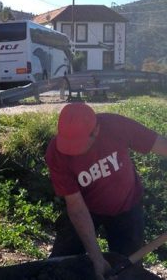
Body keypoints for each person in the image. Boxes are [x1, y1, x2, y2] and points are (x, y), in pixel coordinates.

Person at [45, 103, 167, 280]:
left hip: (127, 206)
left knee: (126, 269)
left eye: (77, 144)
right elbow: (76, 207)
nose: (72, 152)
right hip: (87, 210)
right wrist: (96, 257)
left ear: (96, 131)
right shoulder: (56, 153)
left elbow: (161, 144)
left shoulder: (116, 126)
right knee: (59, 265)